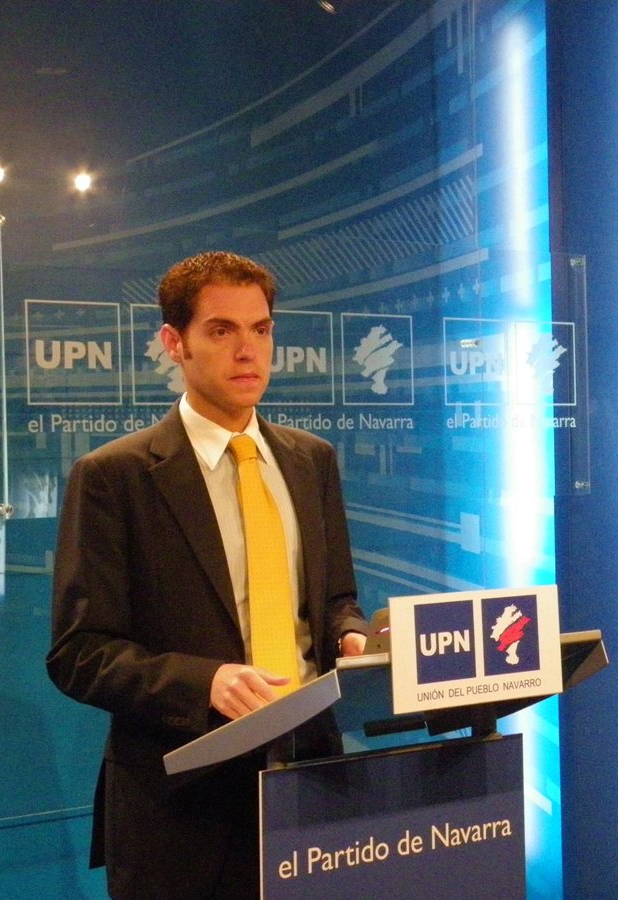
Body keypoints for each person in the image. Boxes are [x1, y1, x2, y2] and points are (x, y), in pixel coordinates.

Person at [47, 251, 369, 898]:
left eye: (261, 329)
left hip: (312, 780)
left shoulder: (311, 460)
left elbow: (335, 598)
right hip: (182, 809)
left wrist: (352, 636)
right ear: (175, 343)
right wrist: (207, 683)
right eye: (222, 330)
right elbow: (79, 654)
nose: (248, 350)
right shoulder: (115, 476)